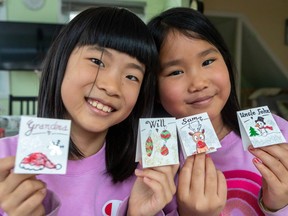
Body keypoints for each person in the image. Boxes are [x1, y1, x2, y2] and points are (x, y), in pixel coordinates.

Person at [0, 7, 179, 216]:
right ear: (61, 61)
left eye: (132, 76)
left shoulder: (150, 174)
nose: (112, 87)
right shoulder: (5, 158)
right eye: (97, 61)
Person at [147, 7, 288, 216]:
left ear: (227, 63)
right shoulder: (154, 161)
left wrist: (278, 206)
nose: (198, 83)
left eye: (207, 61)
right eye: (176, 71)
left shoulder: (277, 131)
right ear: (154, 89)